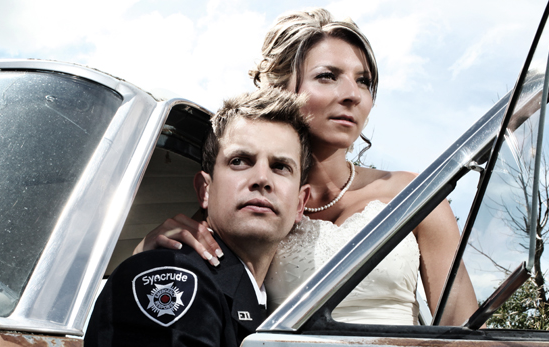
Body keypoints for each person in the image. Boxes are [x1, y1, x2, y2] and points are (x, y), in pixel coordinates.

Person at [136, 8, 478, 326]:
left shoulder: (415, 195)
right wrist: (147, 249)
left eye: (363, 81)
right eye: (328, 76)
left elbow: (468, 336)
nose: (353, 95)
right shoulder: (247, 202)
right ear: (281, 88)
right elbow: (183, 281)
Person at [85, 87, 311, 347]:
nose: (261, 179)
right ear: (204, 190)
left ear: (302, 204)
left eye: (280, 167)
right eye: (240, 161)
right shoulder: (173, 275)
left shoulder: (267, 302)